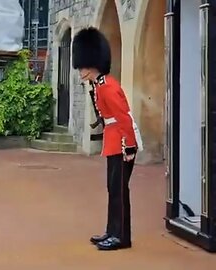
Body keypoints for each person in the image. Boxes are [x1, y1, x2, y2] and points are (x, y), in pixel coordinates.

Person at [72, 27, 142, 251]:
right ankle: (112, 231)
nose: (79, 69)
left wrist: (129, 146)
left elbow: (123, 118)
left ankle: (121, 237)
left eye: (82, 65)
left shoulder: (108, 87)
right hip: (113, 142)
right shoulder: (99, 86)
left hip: (122, 143)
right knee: (113, 189)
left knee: (119, 190)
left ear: (91, 63)